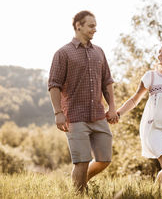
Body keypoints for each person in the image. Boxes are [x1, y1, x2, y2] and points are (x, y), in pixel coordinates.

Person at [48, 10, 119, 192]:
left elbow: (107, 82)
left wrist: (112, 107)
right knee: (82, 161)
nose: (95, 29)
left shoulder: (99, 52)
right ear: (78, 26)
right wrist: (58, 113)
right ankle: (78, 193)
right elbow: (54, 85)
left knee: (105, 159)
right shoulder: (63, 53)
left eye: (95, 26)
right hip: (75, 116)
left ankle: (80, 183)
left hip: (98, 114)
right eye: (91, 26)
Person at [116, 41, 162, 190]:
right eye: (159, 51)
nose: (160, 54)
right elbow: (134, 99)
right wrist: (118, 113)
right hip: (154, 128)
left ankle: (156, 192)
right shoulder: (150, 76)